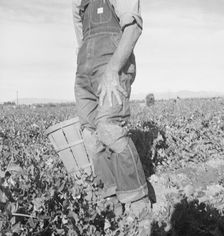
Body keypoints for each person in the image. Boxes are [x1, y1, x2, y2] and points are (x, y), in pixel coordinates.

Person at [72, 0, 153, 234]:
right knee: (90, 134)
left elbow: (133, 28)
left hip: (110, 66)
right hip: (84, 72)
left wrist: (112, 69)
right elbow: (81, 36)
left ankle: (138, 203)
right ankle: (110, 198)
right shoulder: (79, 3)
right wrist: (82, 65)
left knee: (110, 129)